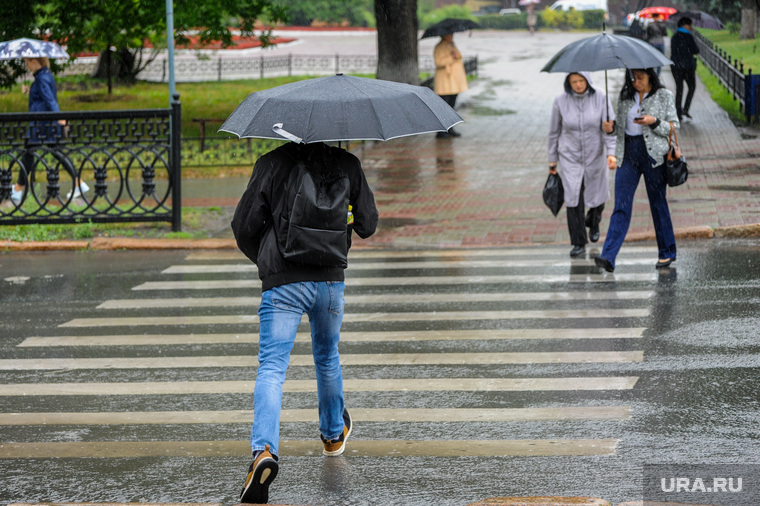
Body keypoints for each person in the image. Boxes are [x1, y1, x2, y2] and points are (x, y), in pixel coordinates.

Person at [231, 141, 378, 504]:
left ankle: (263, 452)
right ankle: (332, 435)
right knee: (327, 356)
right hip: (330, 283)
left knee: (272, 368)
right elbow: (368, 224)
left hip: (282, 281)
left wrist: (268, 258)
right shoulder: (347, 163)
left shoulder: (272, 163)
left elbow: (244, 225)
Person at [595, 68, 679, 273]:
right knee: (621, 205)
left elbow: (674, 126)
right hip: (628, 155)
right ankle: (608, 256)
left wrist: (654, 122)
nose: (636, 81)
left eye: (640, 77)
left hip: (653, 156)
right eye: (632, 77)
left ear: (650, 75)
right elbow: (621, 128)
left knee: (657, 204)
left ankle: (666, 251)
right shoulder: (625, 98)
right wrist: (610, 128)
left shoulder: (664, 96)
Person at [548, 72, 617, 258]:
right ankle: (578, 241)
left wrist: (611, 153)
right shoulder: (560, 101)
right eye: (573, 82)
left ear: (588, 81)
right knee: (573, 198)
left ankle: (594, 220)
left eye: (581, 81)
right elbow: (554, 132)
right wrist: (552, 159)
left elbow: (609, 129)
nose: (578, 85)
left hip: (595, 154)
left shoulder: (601, 97)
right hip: (570, 156)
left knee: (598, 194)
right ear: (568, 83)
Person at [11, 57, 88, 203]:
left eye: (27, 62)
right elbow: (42, 97)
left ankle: (18, 189)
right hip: (45, 123)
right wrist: (29, 91)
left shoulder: (41, 79)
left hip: (41, 124)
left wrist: (60, 117)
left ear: (35, 62)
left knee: (28, 154)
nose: (26, 65)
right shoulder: (45, 75)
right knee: (57, 153)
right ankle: (79, 183)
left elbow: (50, 100)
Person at [434, 33, 468, 138]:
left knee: (451, 106)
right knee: (444, 106)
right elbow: (438, 62)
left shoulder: (451, 45)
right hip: (445, 81)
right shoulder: (439, 47)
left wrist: (455, 54)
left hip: (454, 82)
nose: (451, 36)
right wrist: (450, 57)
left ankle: (450, 128)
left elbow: (458, 56)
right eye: (449, 35)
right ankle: (441, 130)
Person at [670, 16, 700, 121]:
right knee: (692, 87)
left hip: (676, 67)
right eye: (690, 25)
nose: (691, 27)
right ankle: (686, 109)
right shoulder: (689, 37)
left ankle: (678, 112)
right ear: (685, 25)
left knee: (679, 89)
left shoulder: (674, 37)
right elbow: (696, 50)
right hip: (687, 68)